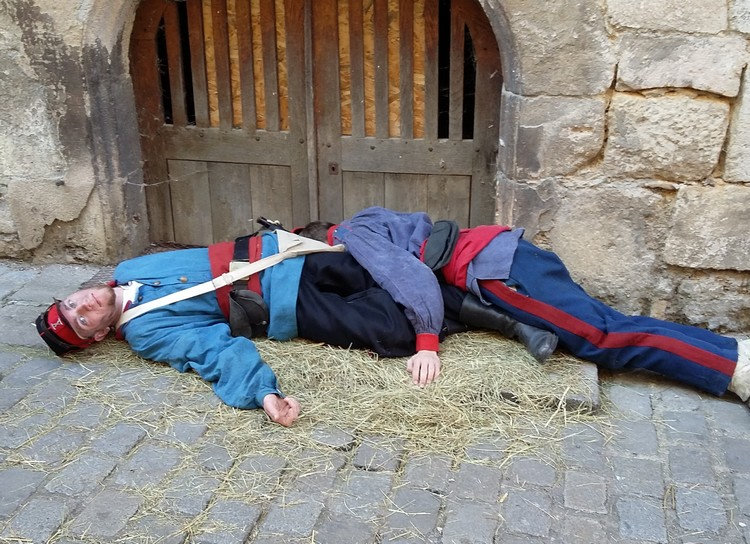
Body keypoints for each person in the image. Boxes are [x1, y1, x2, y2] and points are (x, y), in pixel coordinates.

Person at [35, 225, 557, 427]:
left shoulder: (128, 269)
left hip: (289, 256)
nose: (83, 305)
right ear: (100, 334)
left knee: (387, 267)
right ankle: (504, 323)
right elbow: (212, 352)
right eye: (82, 320)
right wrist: (262, 395)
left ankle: (499, 303)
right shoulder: (147, 332)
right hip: (286, 309)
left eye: (73, 302)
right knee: (391, 334)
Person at [329, 207, 750, 404]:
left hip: (498, 271)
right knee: (612, 323)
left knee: (602, 338)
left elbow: (411, 276)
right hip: (507, 251)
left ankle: (733, 372)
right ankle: (731, 354)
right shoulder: (374, 217)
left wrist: (425, 342)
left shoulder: (352, 234)